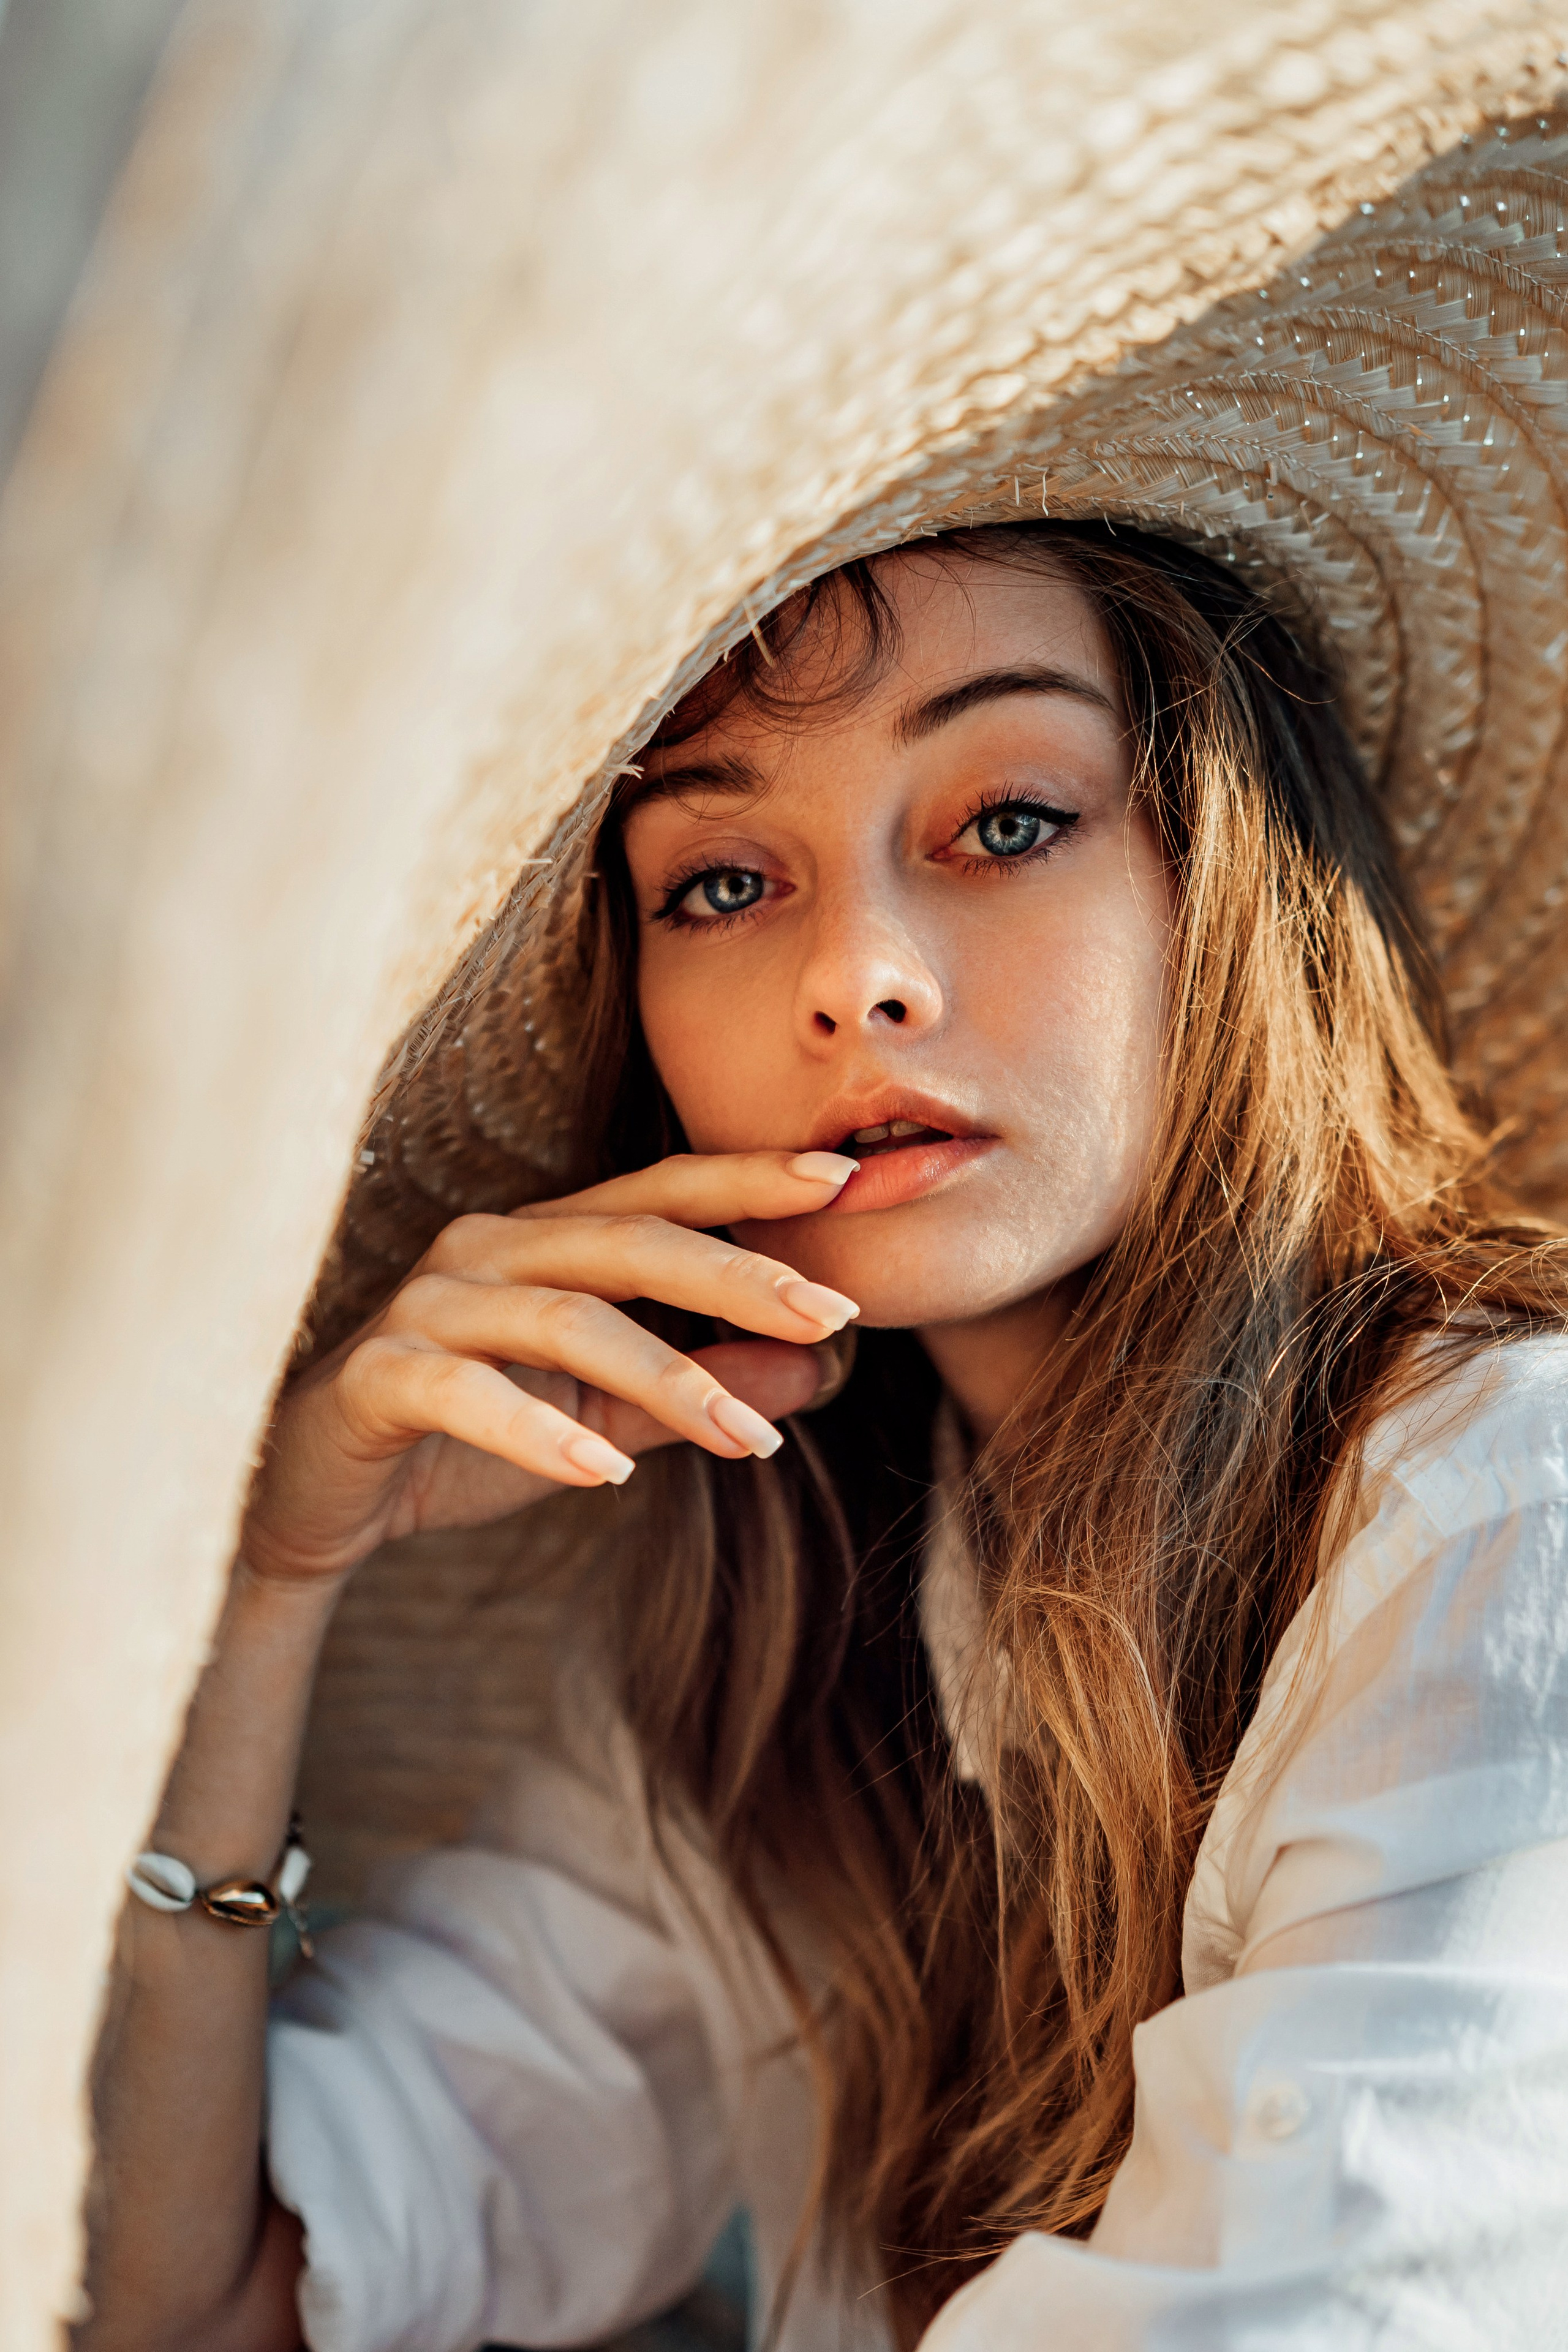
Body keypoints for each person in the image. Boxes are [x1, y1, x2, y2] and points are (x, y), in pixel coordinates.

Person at [80, 521, 1568, 2352]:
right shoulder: (778, 1639)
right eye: (718, 881)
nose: (857, 975)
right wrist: (265, 1578)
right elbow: (199, 2304)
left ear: (1231, 874)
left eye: (1005, 821)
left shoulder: (1508, 1504)